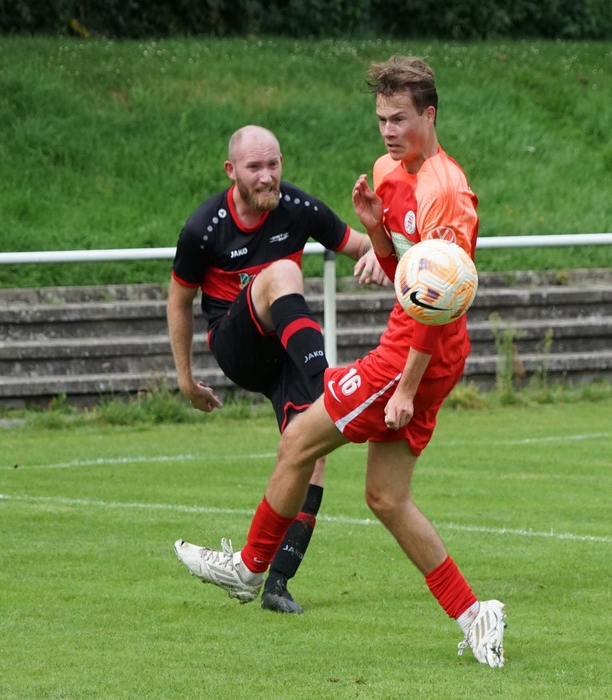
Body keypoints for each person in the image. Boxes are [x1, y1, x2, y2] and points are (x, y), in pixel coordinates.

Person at [174, 58, 506, 667]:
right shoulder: (390, 170)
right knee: (385, 497)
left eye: (399, 118)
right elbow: (407, 270)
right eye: (380, 117)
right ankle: (474, 613)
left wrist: (405, 386)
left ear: (428, 116)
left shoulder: (447, 193)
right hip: (420, 347)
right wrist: (378, 233)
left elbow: (438, 300)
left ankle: (249, 570)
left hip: (414, 354)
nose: (386, 130)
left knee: (299, 439)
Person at [167, 124, 387, 614]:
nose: (267, 177)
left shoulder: (299, 207)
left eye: (274, 165)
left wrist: (378, 253)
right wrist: (185, 380)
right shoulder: (205, 225)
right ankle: (328, 385)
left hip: (286, 350)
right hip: (237, 342)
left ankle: (276, 583)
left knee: (312, 444)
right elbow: (179, 302)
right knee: (284, 272)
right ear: (232, 172)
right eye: (254, 168)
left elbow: (360, 245)